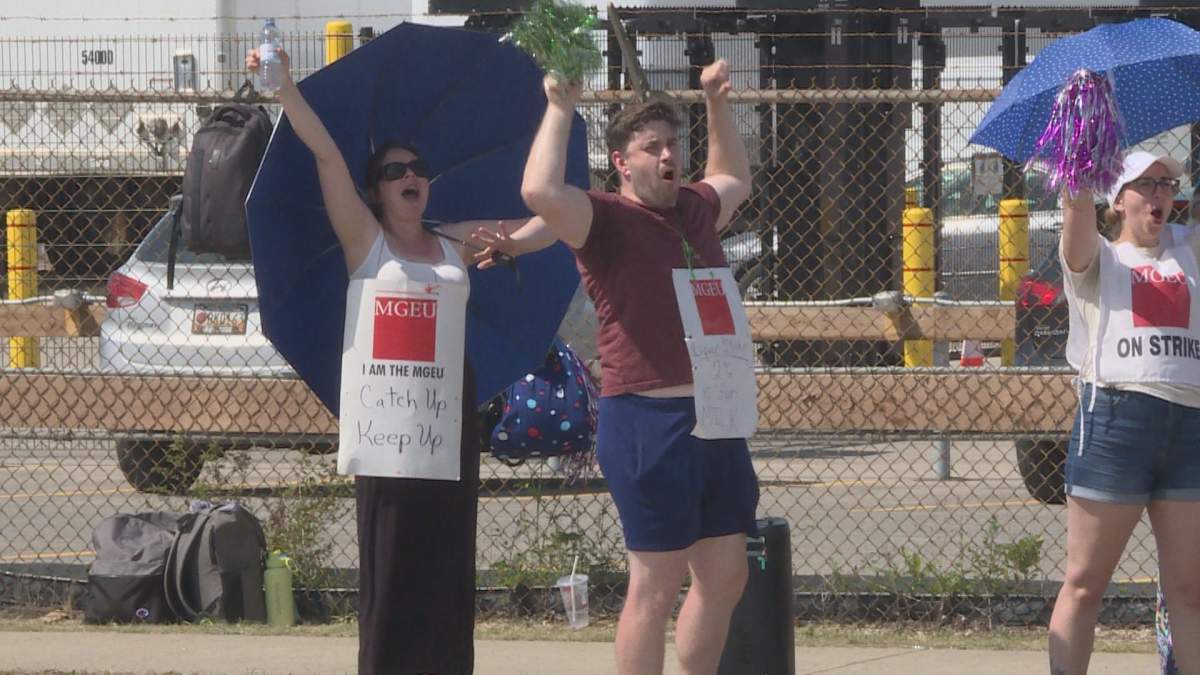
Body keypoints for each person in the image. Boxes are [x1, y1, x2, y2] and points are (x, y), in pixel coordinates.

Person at [246, 48, 557, 675]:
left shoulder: (454, 241)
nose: (411, 175)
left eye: (418, 167)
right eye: (395, 170)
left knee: (446, 559)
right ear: (376, 189)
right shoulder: (366, 240)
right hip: (387, 425)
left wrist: (560, 118)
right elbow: (328, 153)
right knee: (390, 562)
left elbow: (542, 223)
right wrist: (283, 91)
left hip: (447, 418)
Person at [510, 59, 759, 675]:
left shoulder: (695, 210)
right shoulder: (604, 218)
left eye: (673, 145)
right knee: (656, 581)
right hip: (647, 418)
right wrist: (560, 107)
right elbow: (540, 192)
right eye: (653, 148)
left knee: (727, 573)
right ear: (623, 162)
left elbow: (731, 176)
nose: (668, 156)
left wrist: (716, 103)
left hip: (717, 415)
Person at [1050, 150, 1200, 675]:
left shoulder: (1188, 247)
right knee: (1086, 582)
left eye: (1166, 185)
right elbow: (1076, 228)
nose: (1160, 194)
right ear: (1117, 198)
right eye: (1146, 184)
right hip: (1115, 421)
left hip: (1188, 426)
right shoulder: (1103, 258)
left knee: (1189, 590)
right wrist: (1076, 174)